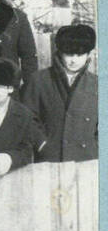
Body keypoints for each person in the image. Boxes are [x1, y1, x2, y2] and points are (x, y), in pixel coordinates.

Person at [21, 23, 97, 162]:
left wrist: (97, 148)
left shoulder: (97, 84)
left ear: (88, 54)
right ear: (60, 52)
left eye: (80, 54)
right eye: (69, 54)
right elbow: (27, 117)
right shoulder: (39, 80)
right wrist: (42, 144)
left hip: (87, 160)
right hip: (51, 157)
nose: (74, 60)